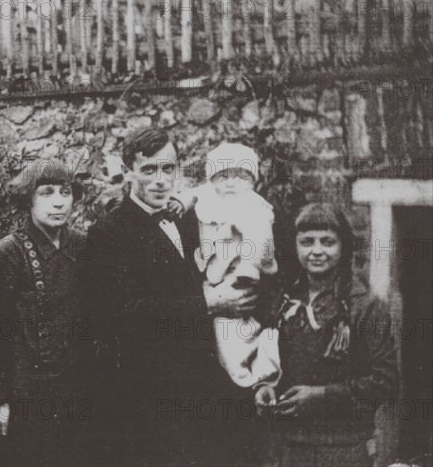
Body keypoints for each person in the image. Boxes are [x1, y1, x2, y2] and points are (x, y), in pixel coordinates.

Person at [83, 128, 262, 467]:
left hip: (204, 383)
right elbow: (125, 312)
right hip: (152, 394)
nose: (160, 180)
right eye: (149, 170)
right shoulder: (109, 232)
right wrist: (209, 303)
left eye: (169, 169)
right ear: (128, 170)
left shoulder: (188, 221)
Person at [255, 203, 399, 467]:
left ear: (343, 247)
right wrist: (266, 388)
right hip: (289, 448)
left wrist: (321, 395)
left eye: (327, 242)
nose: (317, 251)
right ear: (295, 246)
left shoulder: (365, 307)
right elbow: (272, 364)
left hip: (345, 448)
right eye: (307, 242)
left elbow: (385, 382)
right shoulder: (283, 303)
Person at [0, 159, 87, 467]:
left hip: (76, 387)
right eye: (47, 193)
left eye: (65, 192)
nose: (59, 201)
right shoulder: (8, 253)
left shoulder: (81, 245)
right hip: (28, 394)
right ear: (28, 200)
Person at [169, 142, 281, 388]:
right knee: (223, 330)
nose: (231, 184)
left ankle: (251, 375)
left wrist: (248, 269)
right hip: (213, 274)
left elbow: (260, 242)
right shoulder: (210, 196)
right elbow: (193, 193)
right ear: (213, 178)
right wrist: (180, 201)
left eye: (240, 177)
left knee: (233, 328)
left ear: (252, 180)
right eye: (223, 176)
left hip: (244, 272)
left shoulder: (255, 206)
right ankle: (243, 368)